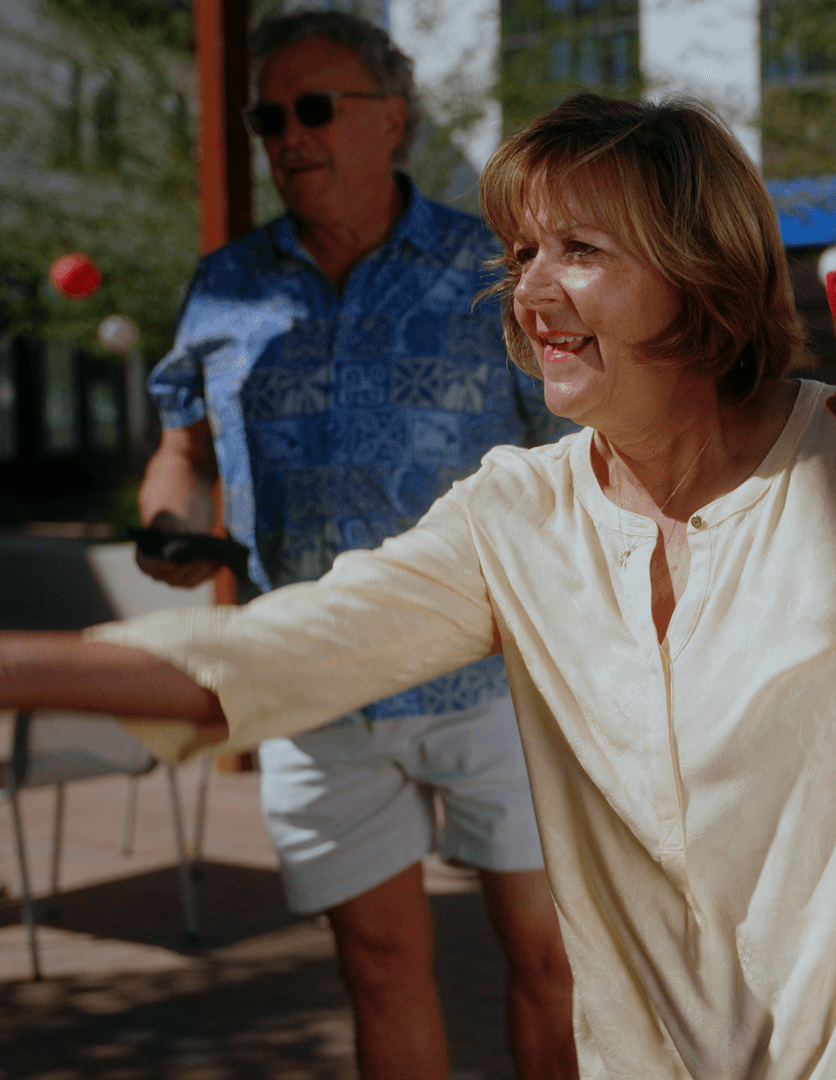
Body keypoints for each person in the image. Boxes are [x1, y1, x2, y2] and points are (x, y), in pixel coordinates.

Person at [0, 92, 836, 1078]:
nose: (530, 292)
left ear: (698, 277)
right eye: (522, 251)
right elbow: (288, 650)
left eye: (579, 250)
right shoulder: (518, 512)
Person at [94, 12, 575, 1080]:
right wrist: (169, 523)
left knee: (555, 957)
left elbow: (575, 452)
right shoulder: (226, 285)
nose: (288, 136)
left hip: (499, 677)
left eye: (317, 108)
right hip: (314, 686)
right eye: (271, 116)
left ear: (392, 119)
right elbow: (180, 450)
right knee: (376, 963)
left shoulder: (487, 268)